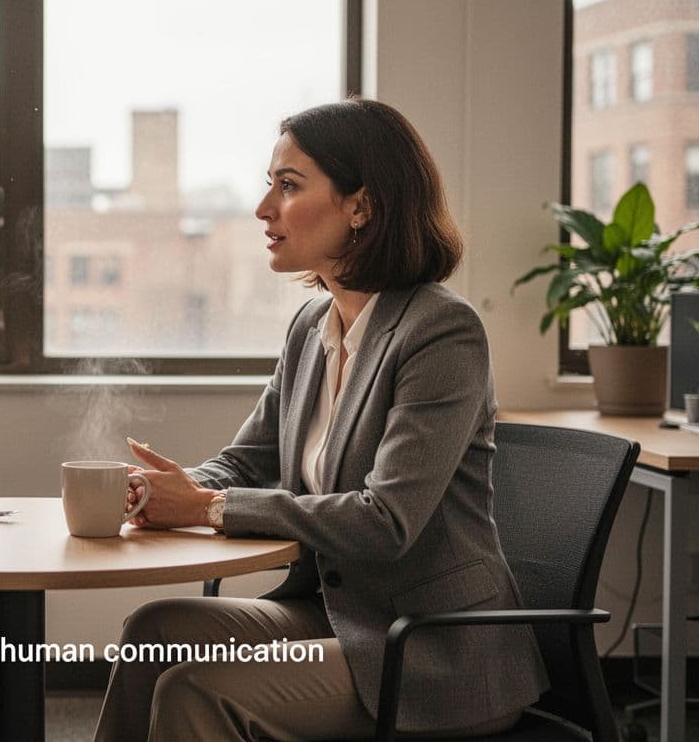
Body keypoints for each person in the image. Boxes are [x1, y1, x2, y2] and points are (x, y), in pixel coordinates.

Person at [94, 98, 548, 741]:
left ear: (361, 207)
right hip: (337, 615)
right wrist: (156, 491)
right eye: (268, 185)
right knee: (155, 631)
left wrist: (207, 507)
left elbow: (386, 521)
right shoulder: (313, 326)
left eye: (288, 186)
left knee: (199, 689)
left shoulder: (441, 331)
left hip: (430, 651)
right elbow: (248, 461)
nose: (263, 208)